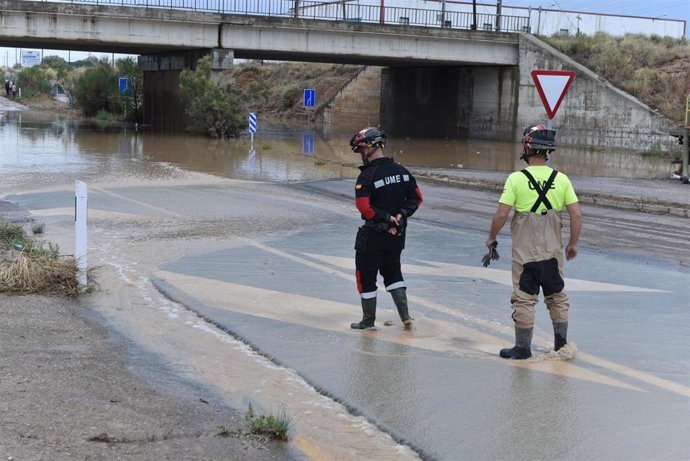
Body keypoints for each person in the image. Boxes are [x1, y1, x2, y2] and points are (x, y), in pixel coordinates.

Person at [486, 124, 581, 359]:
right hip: (552, 252)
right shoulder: (562, 180)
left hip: (525, 253)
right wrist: (573, 244)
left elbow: (501, 214)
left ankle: (522, 348)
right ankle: (561, 344)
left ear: (527, 147)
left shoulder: (516, 179)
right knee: (557, 295)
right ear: (548, 152)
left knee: (524, 297)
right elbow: (576, 214)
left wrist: (492, 238)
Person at [349, 127, 423, 330]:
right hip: (397, 235)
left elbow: (363, 206)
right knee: (393, 272)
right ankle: (406, 316)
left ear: (367, 149)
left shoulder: (367, 176)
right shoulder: (402, 171)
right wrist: (400, 214)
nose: (360, 155)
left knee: (366, 277)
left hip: (373, 235)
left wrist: (385, 218)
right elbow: (417, 199)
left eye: (360, 150)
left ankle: (367, 320)